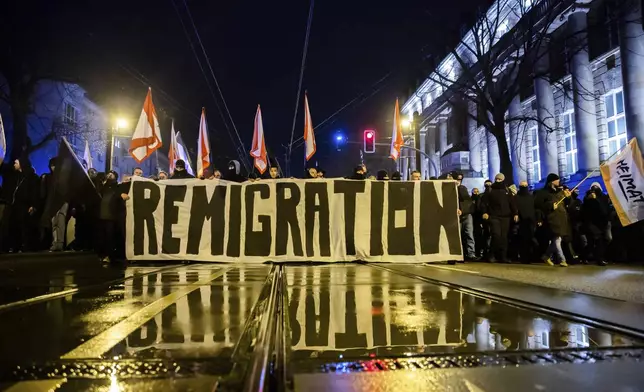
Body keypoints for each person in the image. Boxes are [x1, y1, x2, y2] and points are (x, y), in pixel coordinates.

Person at [3, 157, 40, 252]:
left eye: (16, 163)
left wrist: (33, 205)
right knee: (13, 226)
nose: (14, 164)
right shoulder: (17, 176)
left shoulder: (32, 177)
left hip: (25, 206)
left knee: (24, 226)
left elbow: (35, 192)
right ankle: (15, 245)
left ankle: (26, 246)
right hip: (15, 205)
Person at [534, 173, 571, 267]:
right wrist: (550, 206)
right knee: (557, 239)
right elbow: (538, 205)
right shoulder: (543, 192)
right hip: (552, 219)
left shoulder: (559, 191)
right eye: (556, 180)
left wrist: (569, 197)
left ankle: (546, 256)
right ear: (552, 181)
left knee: (557, 240)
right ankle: (562, 259)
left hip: (561, 219)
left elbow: (567, 203)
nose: (558, 181)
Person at [480, 173, 518, 263]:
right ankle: (492, 254)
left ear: (503, 180)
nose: (498, 180)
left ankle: (503, 256)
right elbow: (484, 203)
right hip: (494, 216)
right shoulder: (490, 190)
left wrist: (515, 213)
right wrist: (484, 212)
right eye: (496, 179)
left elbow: (512, 203)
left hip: (505, 217)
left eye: (500, 179)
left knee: (504, 237)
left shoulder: (507, 190)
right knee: (496, 235)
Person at [97, 171, 122, 263]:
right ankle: (102, 254)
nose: (109, 175)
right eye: (108, 174)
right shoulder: (104, 187)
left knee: (110, 237)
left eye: (112, 174)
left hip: (111, 217)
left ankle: (110, 255)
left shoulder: (117, 187)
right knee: (101, 237)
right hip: (102, 216)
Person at [582, 185, 610, 266]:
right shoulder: (588, 198)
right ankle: (599, 259)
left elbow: (603, 209)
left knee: (592, 242)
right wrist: (589, 199)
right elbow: (585, 210)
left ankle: (585, 256)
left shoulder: (602, 197)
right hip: (591, 223)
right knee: (598, 240)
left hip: (600, 223)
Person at [515, 181, 539, 263]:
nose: (524, 187)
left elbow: (535, 209)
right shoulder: (516, 197)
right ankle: (524, 257)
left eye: (525, 185)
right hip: (521, 222)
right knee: (523, 240)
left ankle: (531, 256)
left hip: (531, 222)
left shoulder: (531, 197)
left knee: (530, 239)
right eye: (523, 186)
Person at [455, 173, 476, 260]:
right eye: (457, 179)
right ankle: (459, 254)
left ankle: (471, 254)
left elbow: (467, 200)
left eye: (460, 180)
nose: (458, 181)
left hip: (466, 214)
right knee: (458, 235)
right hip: (457, 215)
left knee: (469, 234)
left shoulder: (463, 188)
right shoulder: (451, 189)